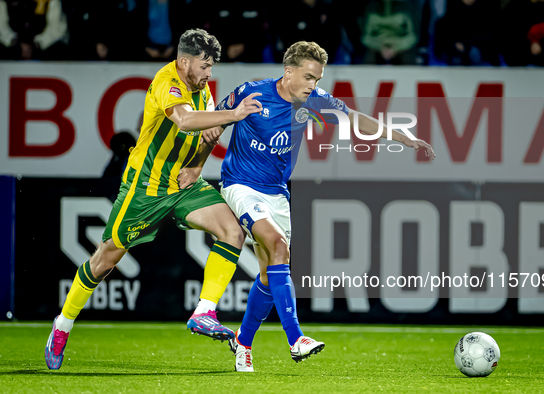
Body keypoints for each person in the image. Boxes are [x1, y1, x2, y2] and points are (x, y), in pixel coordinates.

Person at [208, 41, 435, 372]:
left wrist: (401, 136)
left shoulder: (313, 102)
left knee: (270, 274)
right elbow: (215, 121)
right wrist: (194, 165)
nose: (313, 85)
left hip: (276, 193)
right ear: (289, 72)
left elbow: (354, 119)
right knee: (278, 246)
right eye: (309, 77)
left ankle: (243, 342)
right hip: (240, 185)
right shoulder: (252, 93)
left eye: (317, 79)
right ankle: (296, 339)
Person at [44, 28, 263, 370]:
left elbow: (207, 136)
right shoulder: (167, 81)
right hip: (145, 188)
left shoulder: (202, 90)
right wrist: (233, 115)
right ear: (183, 61)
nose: (209, 74)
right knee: (105, 260)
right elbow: (186, 120)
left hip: (183, 183)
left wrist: (196, 166)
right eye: (204, 66)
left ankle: (204, 312)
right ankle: (63, 324)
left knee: (233, 232)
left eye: (211, 68)